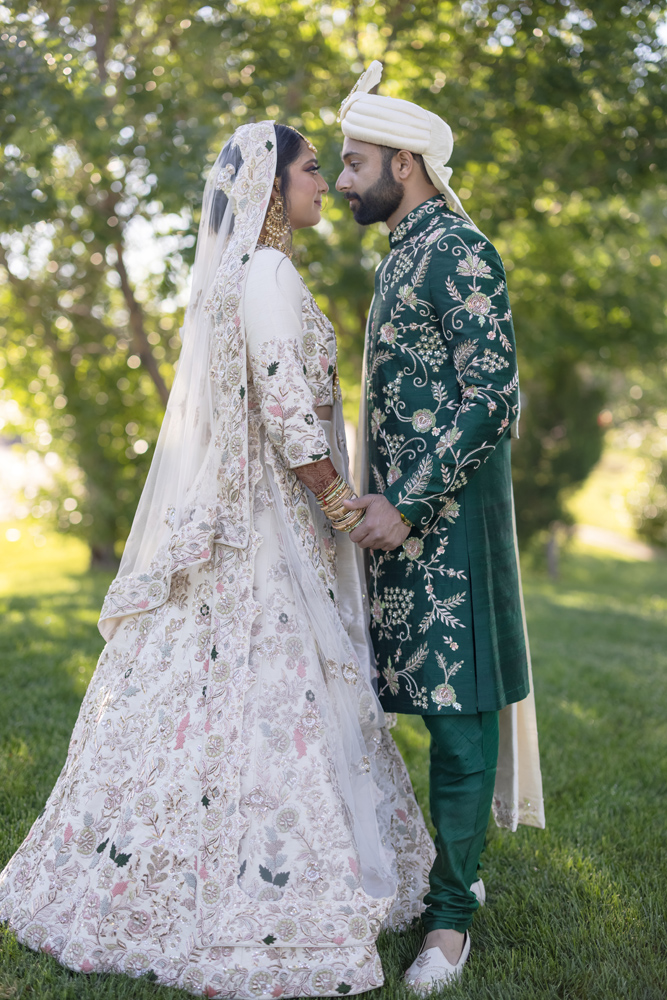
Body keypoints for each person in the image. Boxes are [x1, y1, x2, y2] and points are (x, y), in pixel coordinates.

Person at [0, 120, 435, 998]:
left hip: (250, 519)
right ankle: (251, 900)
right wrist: (343, 507)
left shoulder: (237, 275)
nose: (325, 182)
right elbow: (282, 403)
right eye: (313, 169)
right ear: (272, 188)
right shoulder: (267, 272)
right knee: (274, 698)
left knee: (213, 704)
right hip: (267, 528)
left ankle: (160, 868)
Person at [335, 62, 546, 991]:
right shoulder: (401, 253)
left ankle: (451, 919)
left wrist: (407, 500)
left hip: (446, 533)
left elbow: (491, 397)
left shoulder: (458, 248)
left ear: (405, 164)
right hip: (393, 530)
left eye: (353, 162)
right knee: (403, 710)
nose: (342, 180)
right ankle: (425, 875)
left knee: (459, 726)